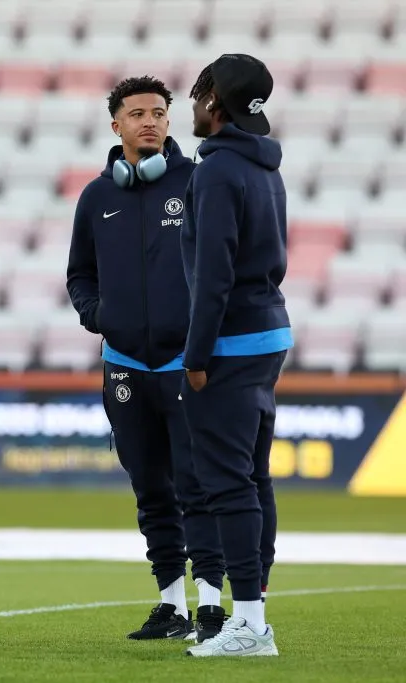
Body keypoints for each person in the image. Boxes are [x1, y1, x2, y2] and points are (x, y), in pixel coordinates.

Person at [66, 76, 227, 644]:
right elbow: (78, 276)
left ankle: (212, 607)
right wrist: (98, 315)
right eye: (137, 113)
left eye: (159, 112)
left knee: (197, 486)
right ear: (117, 126)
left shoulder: (199, 183)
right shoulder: (96, 197)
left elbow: (220, 266)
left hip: (186, 365)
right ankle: (171, 605)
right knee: (150, 491)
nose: (150, 121)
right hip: (124, 365)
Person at [181, 54, 294, 658]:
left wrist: (196, 356)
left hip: (228, 341)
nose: (191, 106)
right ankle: (255, 611)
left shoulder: (219, 171)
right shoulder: (264, 168)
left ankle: (248, 623)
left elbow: (213, 275)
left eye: (197, 94)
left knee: (227, 483)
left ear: (214, 100)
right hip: (268, 332)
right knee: (253, 477)